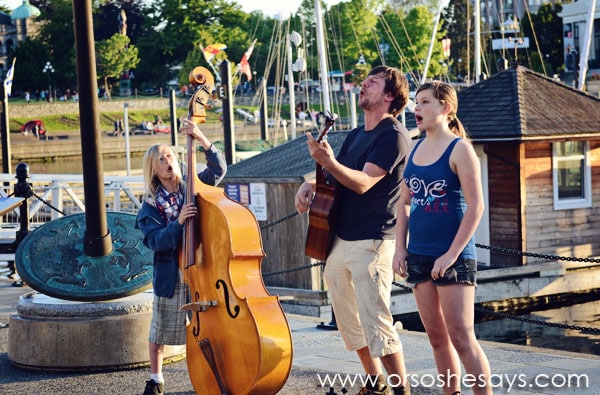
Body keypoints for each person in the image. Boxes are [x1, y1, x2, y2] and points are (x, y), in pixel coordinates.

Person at [295, 65, 412, 395]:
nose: (363, 85)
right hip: (340, 239)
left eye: (372, 83)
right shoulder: (356, 135)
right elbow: (336, 178)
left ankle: (402, 390)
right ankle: (375, 382)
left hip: (373, 241)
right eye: (364, 81)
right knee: (349, 321)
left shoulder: (394, 136)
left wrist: (329, 161)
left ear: (389, 96)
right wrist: (309, 185)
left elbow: (363, 183)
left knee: (377, 322)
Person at [392, 81, 492, 395]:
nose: (416, 109)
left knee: (461, 337)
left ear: (445, 108)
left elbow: (476, 207)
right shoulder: (415, 147)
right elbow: (403, 203)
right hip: (418, 255)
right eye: (416, 103)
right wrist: (399, 248)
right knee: (436, 337)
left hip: (454, 258)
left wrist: (450, 255)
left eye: (423, 103)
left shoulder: (460, 149)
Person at [136, 119, 227, 395]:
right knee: (161, 328)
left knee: (210, 324)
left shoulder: (193, 187)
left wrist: (200, 136)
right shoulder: (150, 206)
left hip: (202, 267)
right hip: (172, 271)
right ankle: (156, 378)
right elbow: (155, 241)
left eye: (169, 156)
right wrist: (177, 222)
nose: (167, 162)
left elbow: (219, 169)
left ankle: (216, 374)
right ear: (153, 170)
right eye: (160, 160)